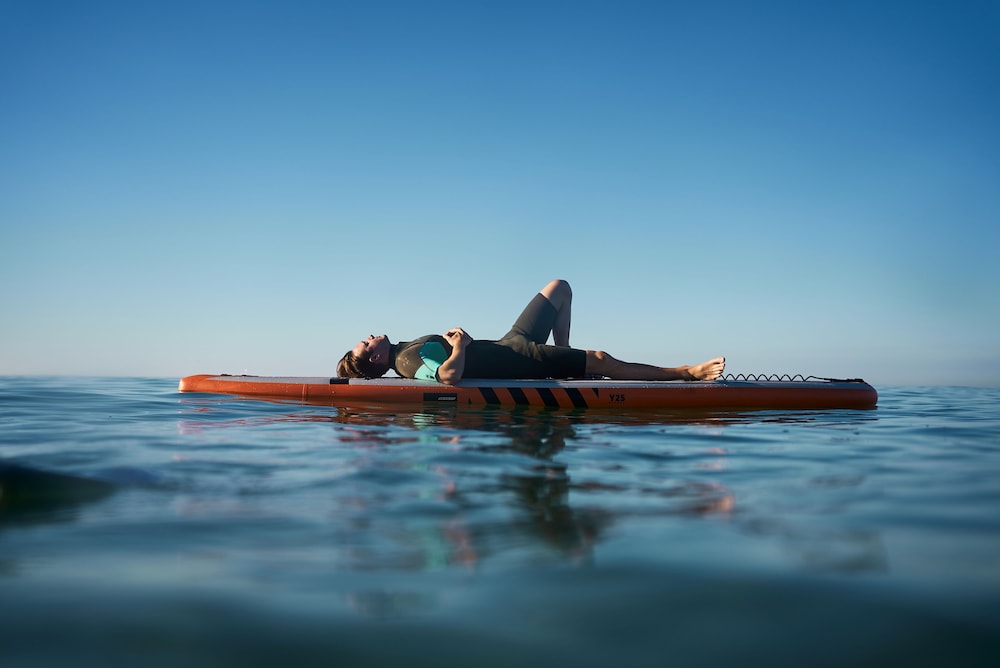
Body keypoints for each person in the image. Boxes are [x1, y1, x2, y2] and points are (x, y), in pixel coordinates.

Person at [337, 279, 725, 385]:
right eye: (366, 341)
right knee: (604, 361)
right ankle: (685, 372)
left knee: (559, 288)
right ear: (374, 357)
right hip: (517, 359)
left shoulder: (407, 347)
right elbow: (449, 377)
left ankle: (569, 360)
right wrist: (462, 345)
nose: (371, 335)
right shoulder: (406, 360)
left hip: (510, 342)